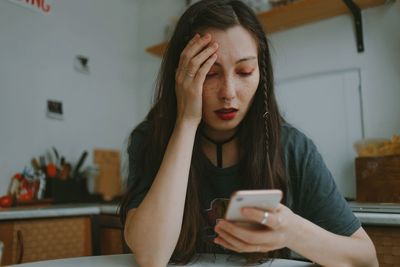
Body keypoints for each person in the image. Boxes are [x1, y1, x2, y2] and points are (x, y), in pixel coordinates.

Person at [120, 0, 378, 266]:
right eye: (210, 73)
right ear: (181, 74)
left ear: (261, 75)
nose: (229, 93)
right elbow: (151, 257)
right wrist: (186, 121)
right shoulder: (150, 138)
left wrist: (290, 230)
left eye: (244, 72)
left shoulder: (292, 147)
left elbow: (367, 260)